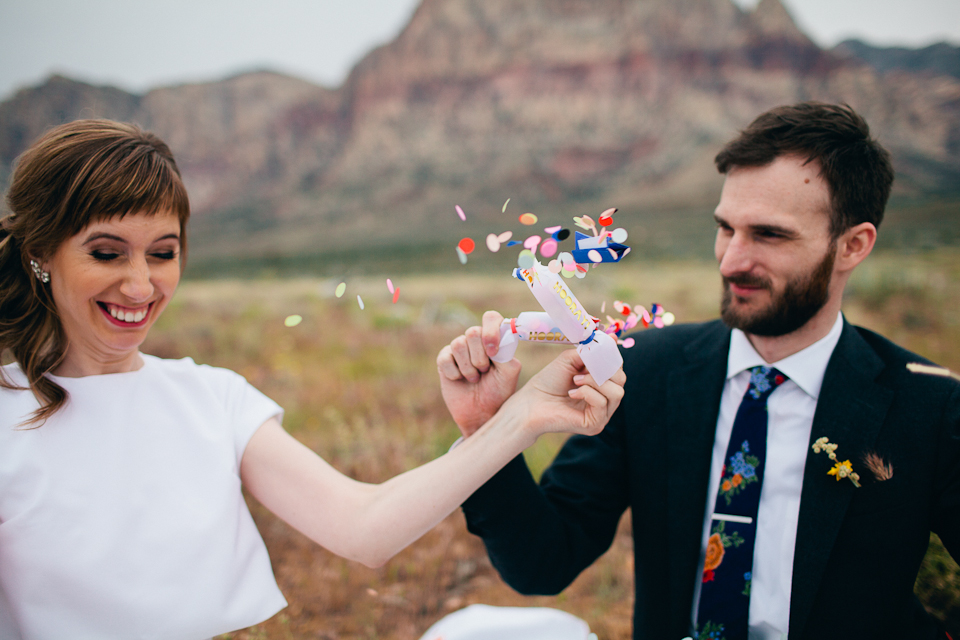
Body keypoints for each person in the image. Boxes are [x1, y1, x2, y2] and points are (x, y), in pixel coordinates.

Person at [0, 119, 626, 640]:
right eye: (107, 253)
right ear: (40, 255)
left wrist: (519, 417)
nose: (140, 285)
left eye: (162, 253)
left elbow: (365, 526)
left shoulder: (211, 399)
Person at [437, 103, 960, 639]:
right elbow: (543, 563)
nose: (731, 260)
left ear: (853, 245)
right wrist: (487, 431)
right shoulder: (643, 369)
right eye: (725, 228)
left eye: (769, 235)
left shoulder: (928, 405)